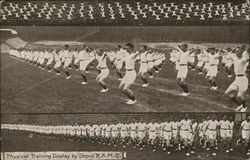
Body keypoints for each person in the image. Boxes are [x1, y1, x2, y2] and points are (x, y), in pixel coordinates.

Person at [225, 47, 249, 112]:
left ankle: (244, 106)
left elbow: (247, 59)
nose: (236, 52)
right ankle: (239, 105)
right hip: (237, 79)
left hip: (243, 79)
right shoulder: (234, 57)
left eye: (238, 51)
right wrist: (233, 49)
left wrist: (247, 52)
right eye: (236, 51)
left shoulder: (243, 60)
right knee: (227, 92)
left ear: (241, 53)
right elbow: (228, 56)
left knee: (240, 95)